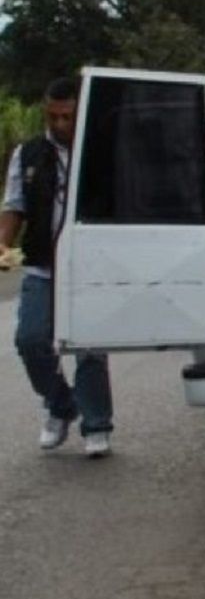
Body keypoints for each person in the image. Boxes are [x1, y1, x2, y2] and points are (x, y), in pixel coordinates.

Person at [0, 77, 114, 457]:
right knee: (30, 340)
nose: (60, 125)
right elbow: (14, 205)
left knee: (89, 349)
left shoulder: (102, 152)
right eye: (53, 117)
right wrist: (3, 242)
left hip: (90, 267)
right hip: (42, 266)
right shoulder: (28, 154)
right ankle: (61, 405)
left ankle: (97, 426)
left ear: (80, 113)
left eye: (67, 117)